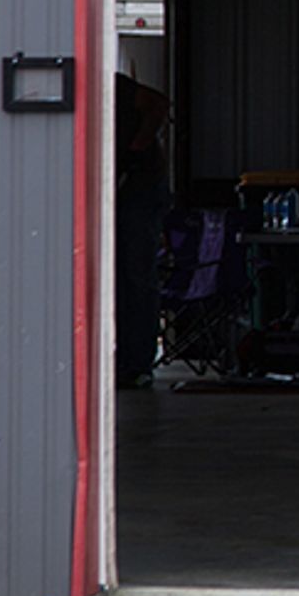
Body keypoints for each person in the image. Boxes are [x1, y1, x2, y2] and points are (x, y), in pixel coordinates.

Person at [112, 72, 172, 387]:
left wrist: (139, 145)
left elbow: (159, 103)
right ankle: (124, 357)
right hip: (120, 188)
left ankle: (138, 362)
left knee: (136, 273)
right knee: (120, 276)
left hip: (140, 186)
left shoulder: (118, 87)